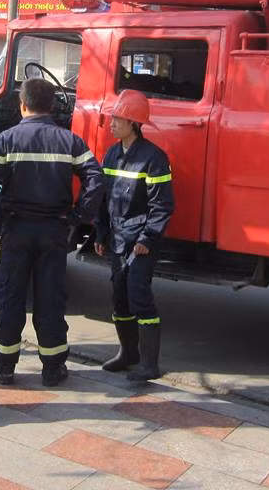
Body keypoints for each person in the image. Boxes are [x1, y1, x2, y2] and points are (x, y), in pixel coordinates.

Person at [0, 77, 103, 387]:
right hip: (54, 230)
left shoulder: (4, 140)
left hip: (16, 228)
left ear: (22, 106)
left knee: (10, 296)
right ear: (51, 106)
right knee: (51, 298)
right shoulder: (70, 141)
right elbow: (96, 178)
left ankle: (5, 368)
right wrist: (78, 216)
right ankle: (53, 369)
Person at [93, 90, 175, 382]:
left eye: (118, 118)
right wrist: (101, 233)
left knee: (139, 297)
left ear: (134, 123)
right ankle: (128, 354)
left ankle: (149, 365)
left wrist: (147, 239)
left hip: (140, 243)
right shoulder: (112, 154)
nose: (112, 123)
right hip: (117, 240)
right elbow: (104, 198)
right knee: (119, 298)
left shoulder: (154, 158)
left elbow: (162, 205)